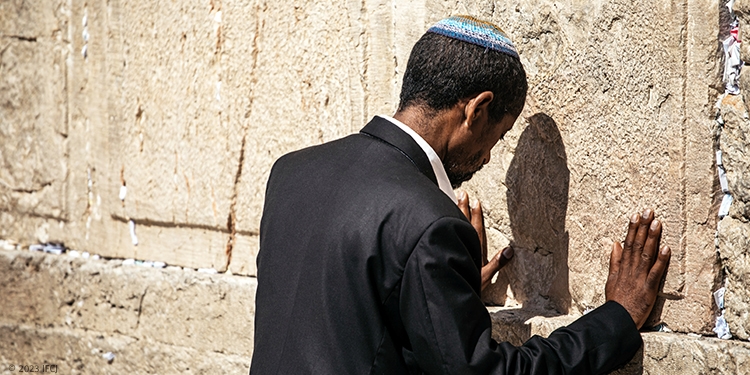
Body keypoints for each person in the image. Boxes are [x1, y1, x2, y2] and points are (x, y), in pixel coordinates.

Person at [250, 15, 671, 375]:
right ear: (477, 110)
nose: (487, 158)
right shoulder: (429, 221)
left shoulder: (291, 173)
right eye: (498, 136)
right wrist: (616, 318)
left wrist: (444, 289)